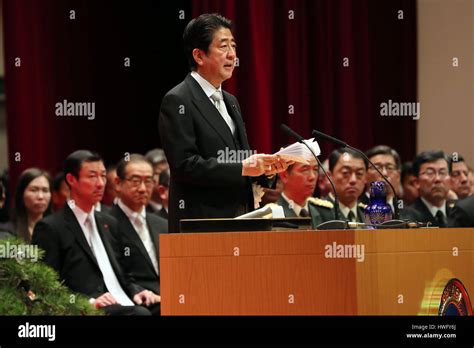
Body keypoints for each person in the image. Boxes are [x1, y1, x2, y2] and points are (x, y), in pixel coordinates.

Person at [158, 13, 289, 232]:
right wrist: (244, 167)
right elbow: (185, 165)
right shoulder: (178, 99)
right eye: (223, 46)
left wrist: (267, 169)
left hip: (241, 220)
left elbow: (241, 159)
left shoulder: (231, 101)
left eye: (234, 46)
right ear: (199, 56)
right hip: (202, 225)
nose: (232, 55)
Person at [32, 150, 159, 315]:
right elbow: (45, 285)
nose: (100, 184)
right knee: (140, 314)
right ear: (71, 180)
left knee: (171, 308)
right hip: (86, 307)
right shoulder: (50, 227)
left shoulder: (109, 222)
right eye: (92, 176)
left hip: (124, 300)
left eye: (103, 176)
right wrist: (88, 301)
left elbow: (124, 274)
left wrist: (137, 291)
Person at [109, 154, 167, 312]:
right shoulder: (107, 223)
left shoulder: (162, 224)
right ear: (118, 183)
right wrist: (139, 292)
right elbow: (116, 274)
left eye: (148, 181)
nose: (142, 188)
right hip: (137, 301)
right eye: (135, 181)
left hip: (167, 298)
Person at [312, 148, 368, 223]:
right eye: (345, 173)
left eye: (359, 173)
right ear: (329, 176)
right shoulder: (315, 211)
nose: (353, 180)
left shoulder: (368, 214)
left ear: (366, 178)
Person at [402, 151, 454, 227]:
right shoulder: (407, 218)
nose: (437, 179)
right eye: (430, 173)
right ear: (416, 182)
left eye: (442, 172)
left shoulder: (460, 214)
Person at [275, 160, 331, 227]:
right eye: (305, 170)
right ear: (284, 175)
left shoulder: (325, 213)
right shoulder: (273, 214)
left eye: (315, 170)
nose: (312, 177)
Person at [12, 168, 52, 243]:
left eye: (45, 190)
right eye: (34, 190)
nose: (40, 196)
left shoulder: (59, 229)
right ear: (21, 194)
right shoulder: (8, 231)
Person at [361, 145, 401, 213]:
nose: (384, 173)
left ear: (398, 175)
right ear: (365, 174)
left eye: (389, 168)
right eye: (377, 167)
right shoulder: (357, 211)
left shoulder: (410, 214)